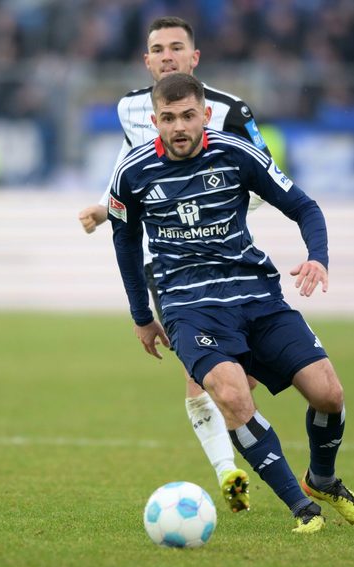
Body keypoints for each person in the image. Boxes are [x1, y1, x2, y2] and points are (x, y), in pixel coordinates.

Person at [108, 72, 354, 533]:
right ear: (155, 120)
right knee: (232, 396)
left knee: (329, 394)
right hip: (189, 308)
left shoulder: (236, 154)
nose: (179, 127)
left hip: (258, 297)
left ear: (205, 115)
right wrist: (142, 315)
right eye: (168, 118)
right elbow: (125, 246)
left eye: (188, 116)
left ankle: (323, 480)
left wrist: (318, 257)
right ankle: (301, 508)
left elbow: (304, 207)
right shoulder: (132, 174)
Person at [77, 16, 266, 512]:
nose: (166, 56)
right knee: (201, 372)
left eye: (176, 47)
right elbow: (129, 166)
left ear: (194, 58)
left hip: (227, 259)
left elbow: (266, 181)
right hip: (167, 265)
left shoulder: (230, 111)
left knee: (238, 379)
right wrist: (104, 207)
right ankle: (228, 472)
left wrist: (210, 210)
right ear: (146, 60)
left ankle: (247, 460)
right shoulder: (128, 108)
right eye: (157, 49)